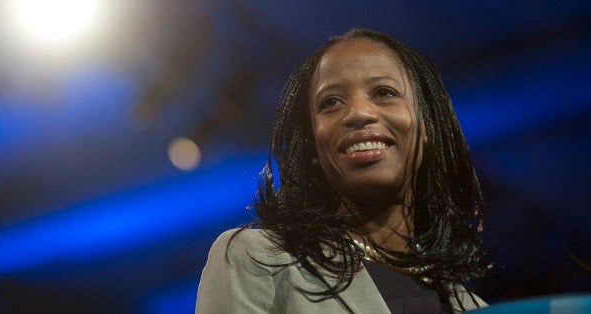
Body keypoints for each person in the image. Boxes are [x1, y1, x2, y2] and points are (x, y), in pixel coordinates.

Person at [196, 28, 489, 313]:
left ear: (427, 127)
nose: (359, 113)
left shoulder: (476, 308)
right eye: (331, 102)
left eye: (385, 92)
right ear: (312, 144)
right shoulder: (257, 259)